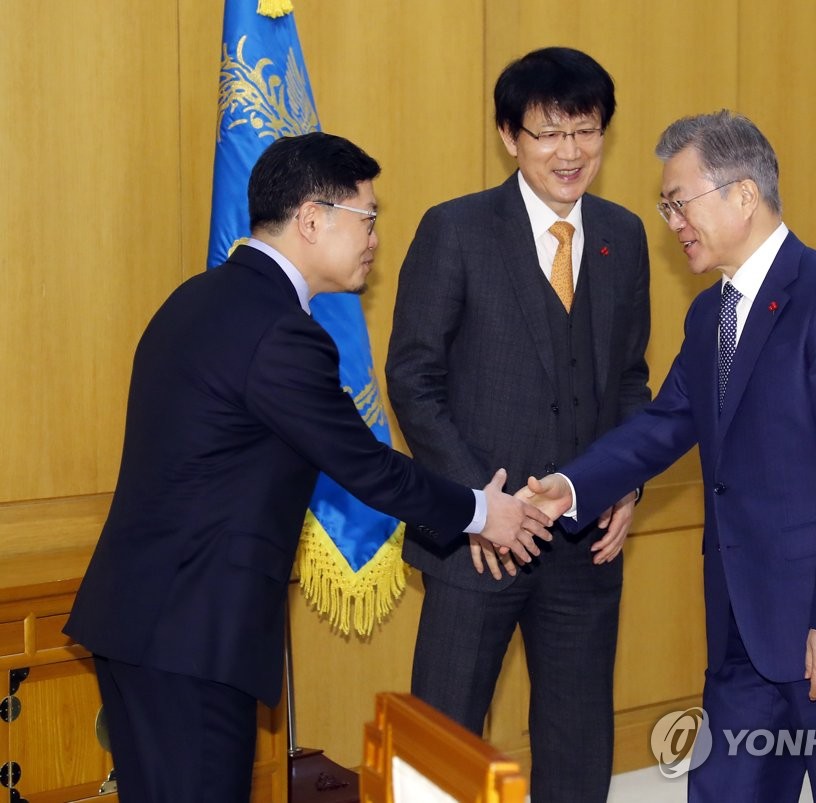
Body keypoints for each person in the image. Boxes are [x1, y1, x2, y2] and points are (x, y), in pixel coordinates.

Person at [64, 132, 553, 803]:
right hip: (191, 636)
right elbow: (365, 465)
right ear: (312, 218)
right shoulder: (281, 333)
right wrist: (482, 512)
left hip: (142, 619)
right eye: (368, 217)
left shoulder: (197, 299)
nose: (376, 237)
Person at [523, 111, 816, 802]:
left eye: (678, 202)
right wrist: (569, 486)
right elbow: (664, 422)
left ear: (743, 194)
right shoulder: (709, 314)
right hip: (747, 633)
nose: (671, 221)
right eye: (665, 207)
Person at [385, 47, 651, 803]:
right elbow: (413, 377)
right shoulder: (457, 230)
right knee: (441, 746)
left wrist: (625, 484)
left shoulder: (623, 236)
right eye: (548, 132)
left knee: (577, 745)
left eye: (587, 131)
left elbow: (631, 379)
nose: (570, 152)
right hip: (478, 545)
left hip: (583, 542)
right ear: (509, 135)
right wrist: (481, 506)